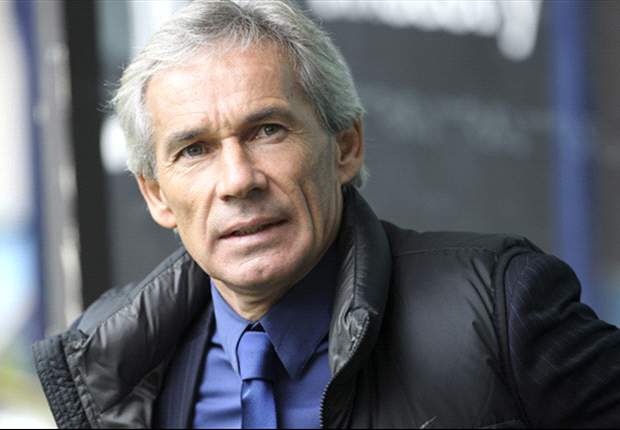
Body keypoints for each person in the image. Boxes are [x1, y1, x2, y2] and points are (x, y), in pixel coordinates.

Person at [33, 1, 620, 428]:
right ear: (156, 196)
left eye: (267, 130)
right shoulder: (112, 362)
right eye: (194, 150)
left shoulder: (496, 306)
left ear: (346, 146)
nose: (237, 180)